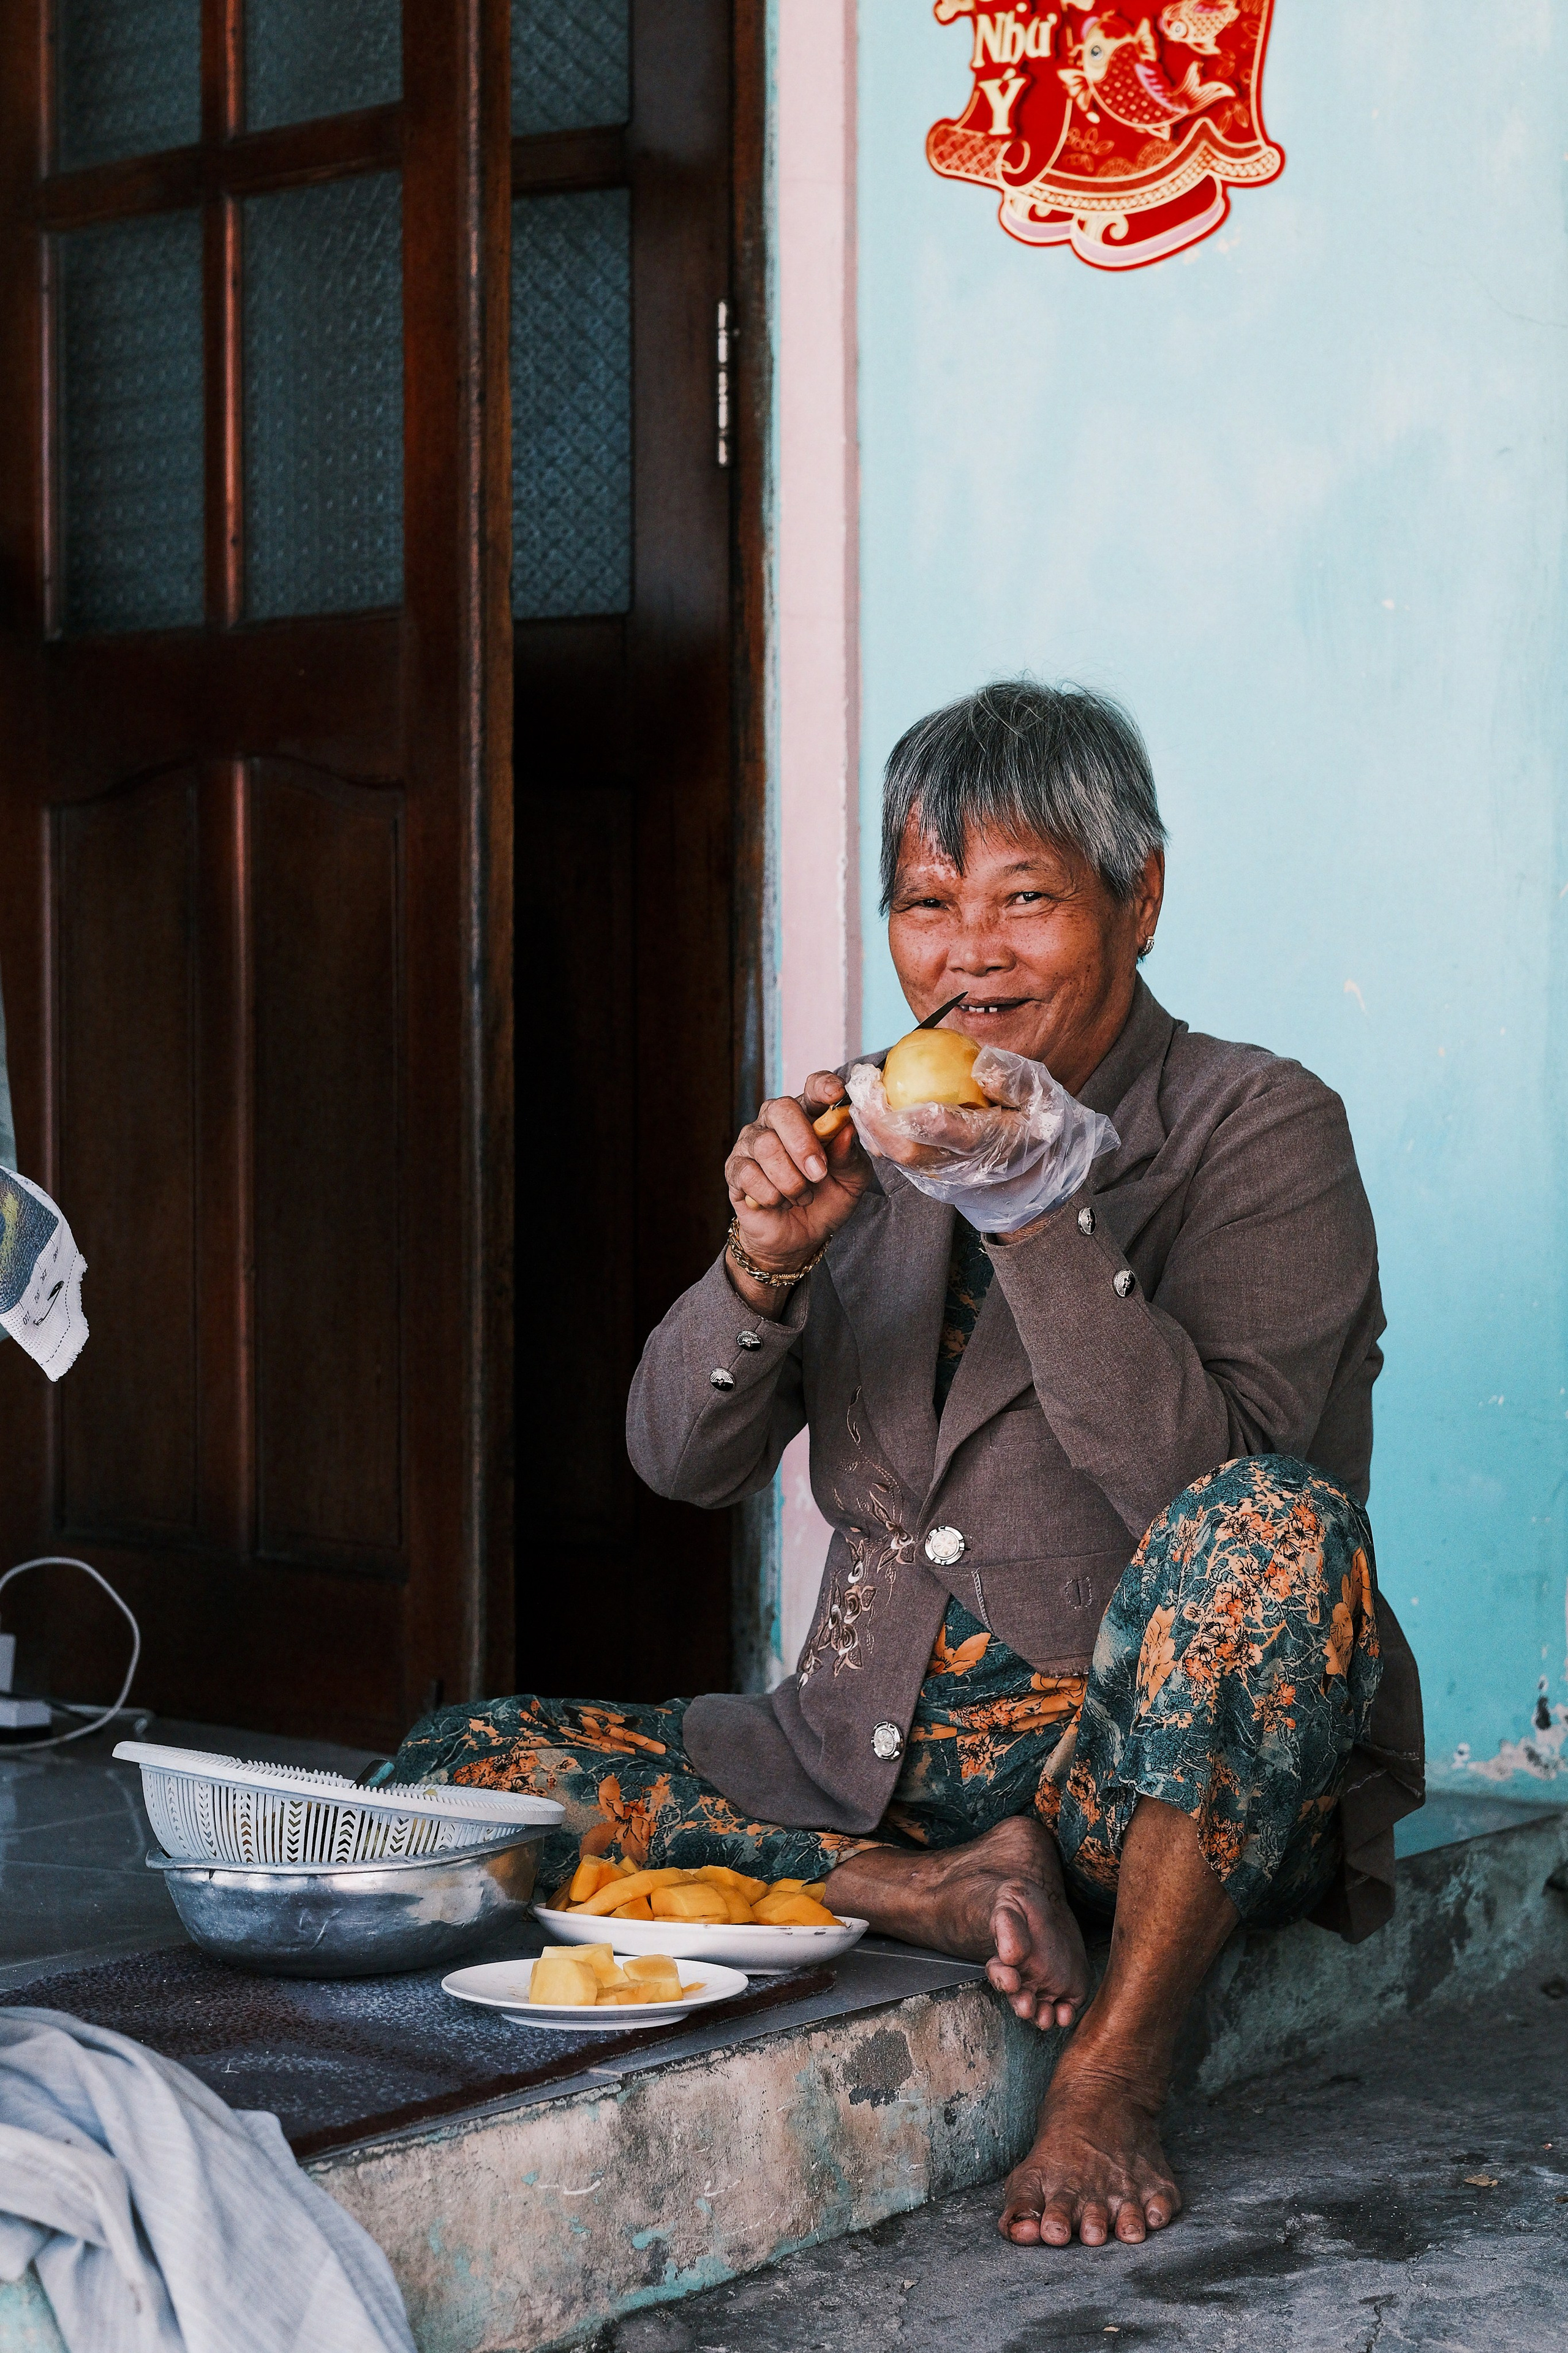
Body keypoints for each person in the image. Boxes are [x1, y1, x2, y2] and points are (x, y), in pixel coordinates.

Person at [390, 679, 1422, 2249]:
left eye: (1026, 899)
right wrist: (759, 1267)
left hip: (1138, 1791)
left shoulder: (1255, 1126)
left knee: (1276, 1523)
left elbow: (1218, 1506)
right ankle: (909, 1887)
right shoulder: (871, 1128)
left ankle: (1113, 2073)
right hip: (855, 1768)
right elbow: (674, 1462)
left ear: (1137, 900)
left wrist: (1038, 1209)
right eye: (928, 904)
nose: (970, 953)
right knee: (453, 1772)